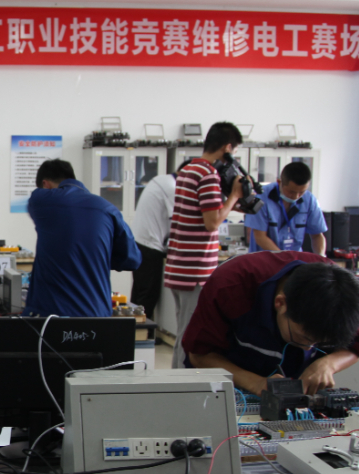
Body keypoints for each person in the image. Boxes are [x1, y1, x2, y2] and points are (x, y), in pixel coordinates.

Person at [183, 252, 359, 395]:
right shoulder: (230, 287)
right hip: (228, 387)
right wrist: (256, 383)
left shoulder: (340, 294)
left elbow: (357, 347)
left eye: (319, 344)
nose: (309, 349)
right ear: (280, 303)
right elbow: (199, 355)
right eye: (303, 338)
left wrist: (328, 364)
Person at [164, 122, 245, 368]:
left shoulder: (189, 169)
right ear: (227, 148)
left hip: (179, 266)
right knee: (190, 335)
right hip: (195, 271)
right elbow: (212, 223)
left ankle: (176, 380)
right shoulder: (208, 175)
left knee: (183, 331)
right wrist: (234, 196)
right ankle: (180, 383)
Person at [24, 158, 141, 317]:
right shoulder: (108, 209)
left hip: (53, 315)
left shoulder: (39, 200)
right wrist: (95, 256)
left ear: (45, 185)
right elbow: (132, 259)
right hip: (97, 314)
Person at [243, 161, 327, 256]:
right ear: (279, 182)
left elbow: (317, 235)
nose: (296, 196)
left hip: (295, 260)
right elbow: (260, 237)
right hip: (264, 260)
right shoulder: (260, 197)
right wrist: (285, 259)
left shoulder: (310, 200)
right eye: (291, 192)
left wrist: (321, 257)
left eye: (301, 192)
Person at [129, 172, 175, 320]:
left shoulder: (161, 179)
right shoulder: (172, 187)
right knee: (148, 295)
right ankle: (142, 331)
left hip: (139, 241)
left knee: (139, 293)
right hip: (150, 245)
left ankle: (132, 329)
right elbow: (180, 220)